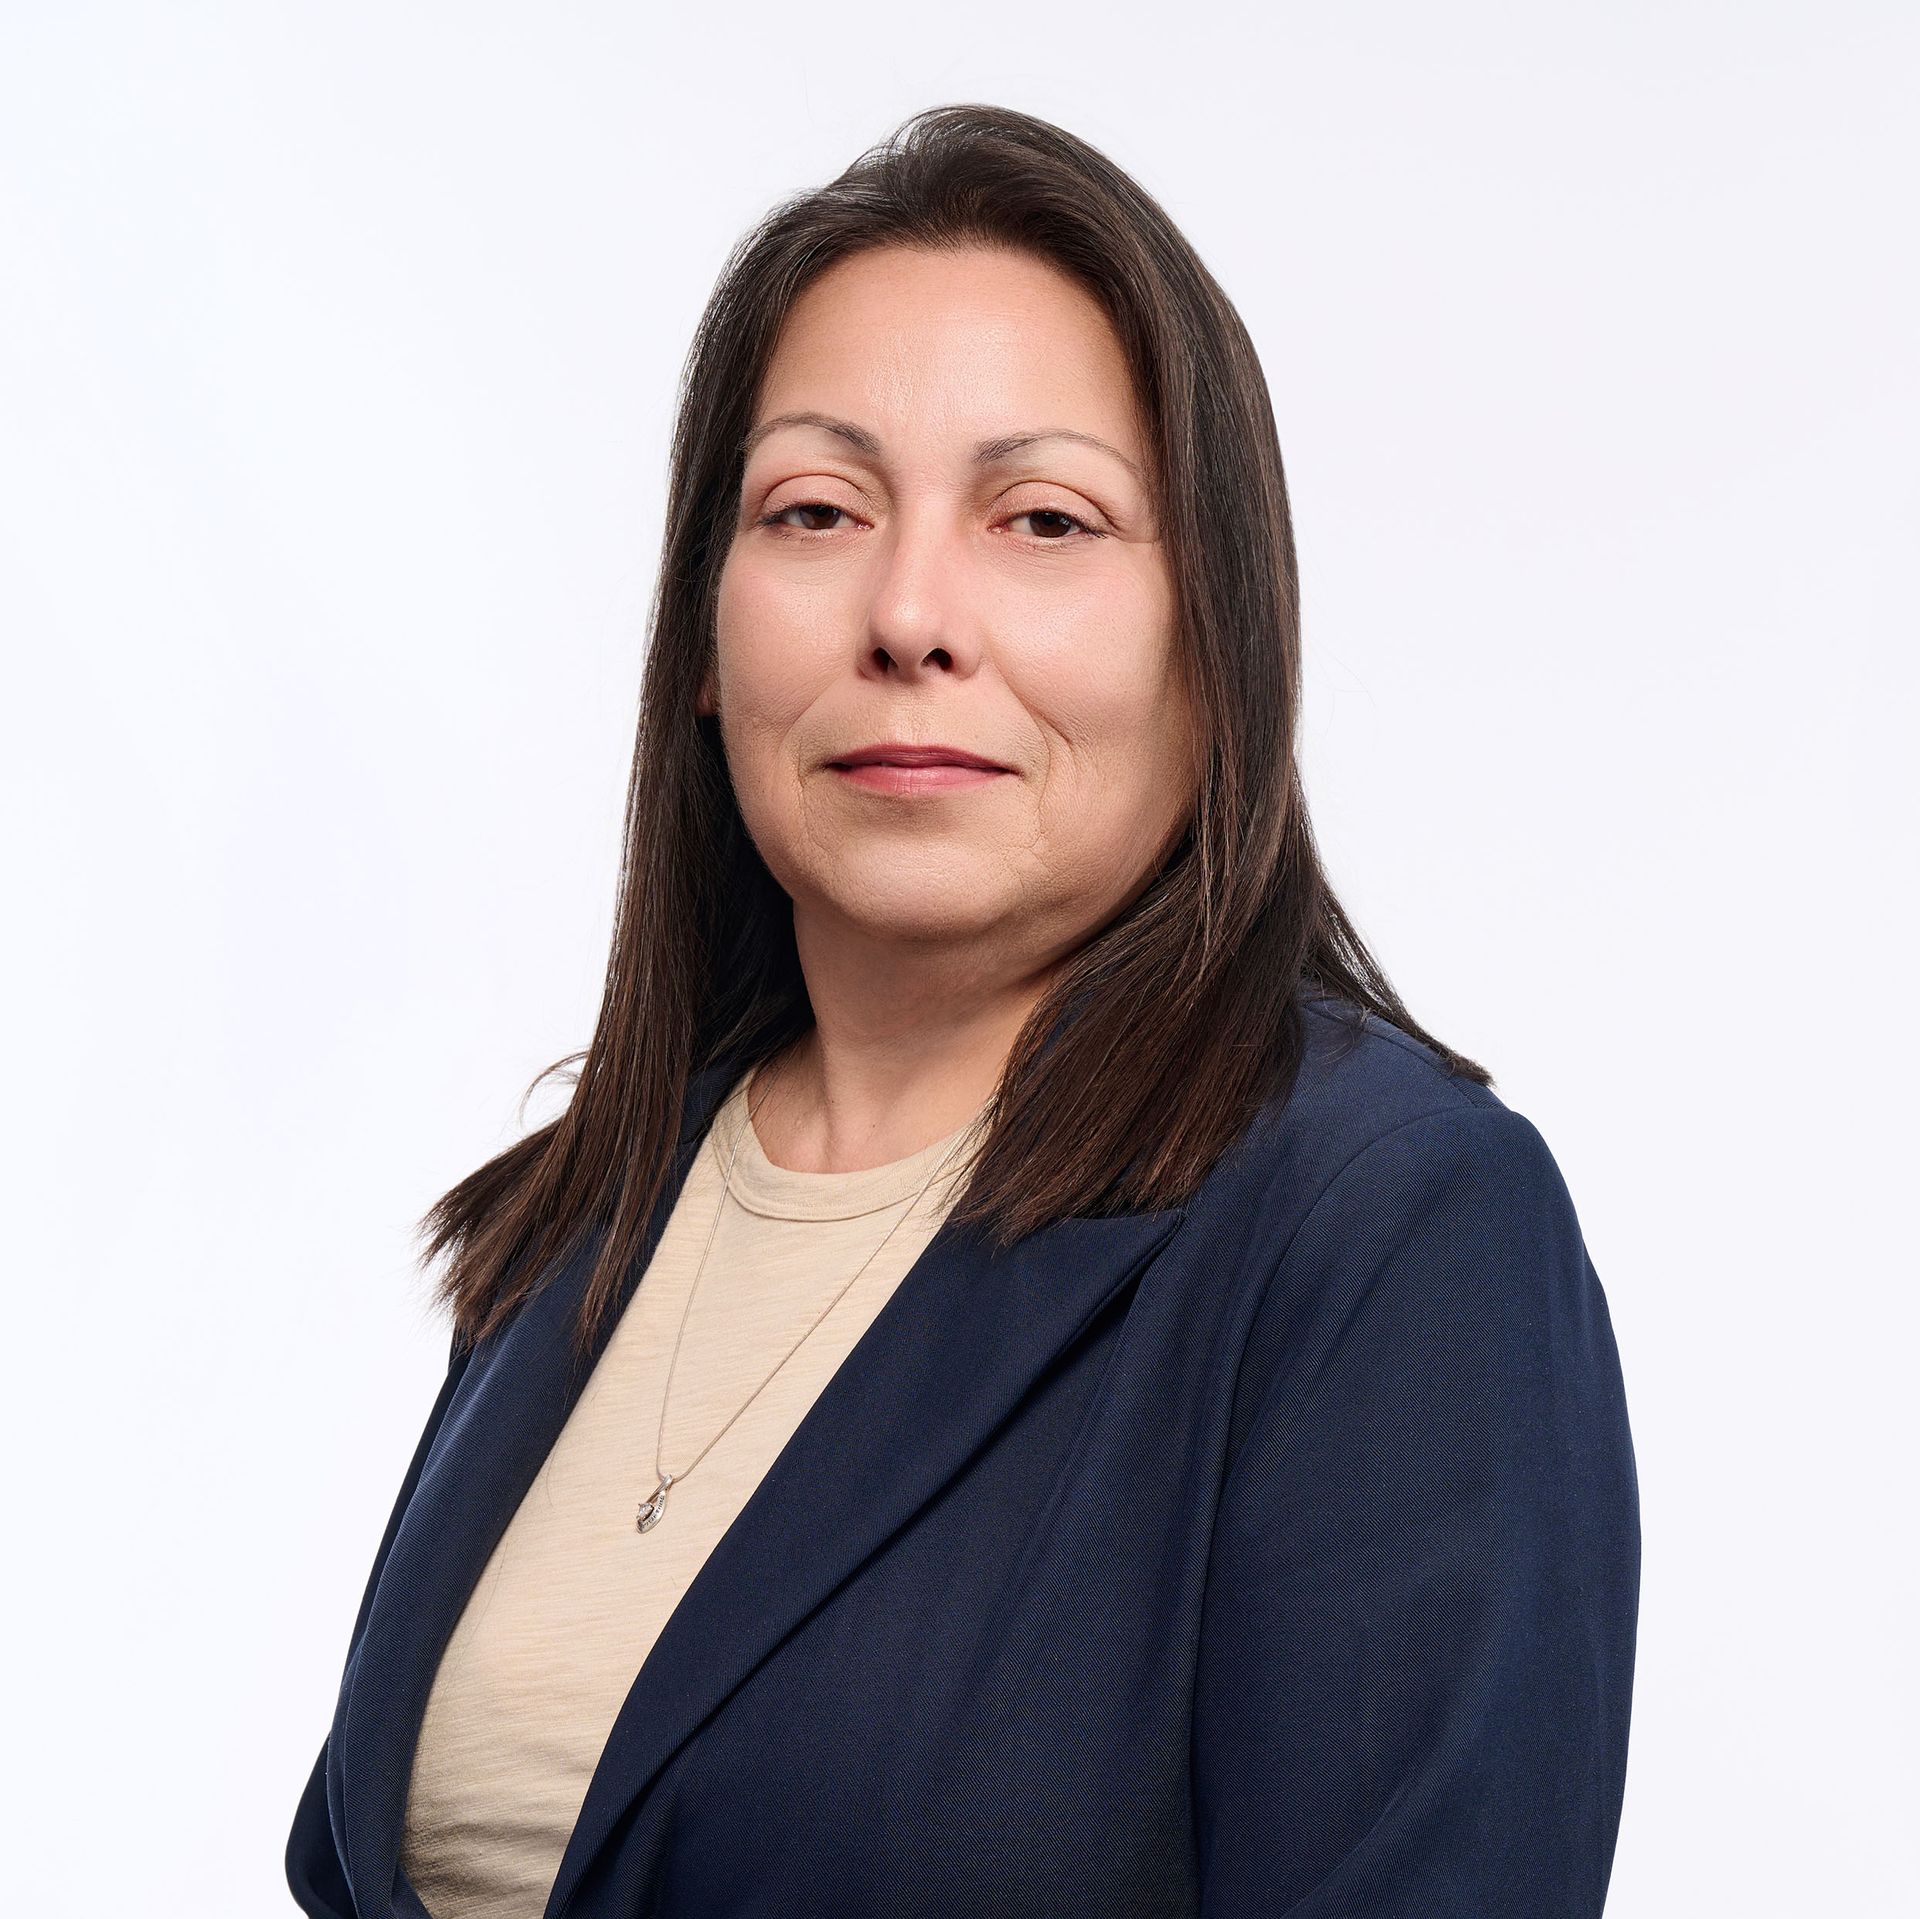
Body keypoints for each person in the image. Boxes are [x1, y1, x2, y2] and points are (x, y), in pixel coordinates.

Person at [286, 103, 1639, 1919]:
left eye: (1045, 518)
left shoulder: (1386, 1230)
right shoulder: (583, 1226)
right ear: (703, 633)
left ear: (1217, 639)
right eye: (817, 511)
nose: (911, 614)